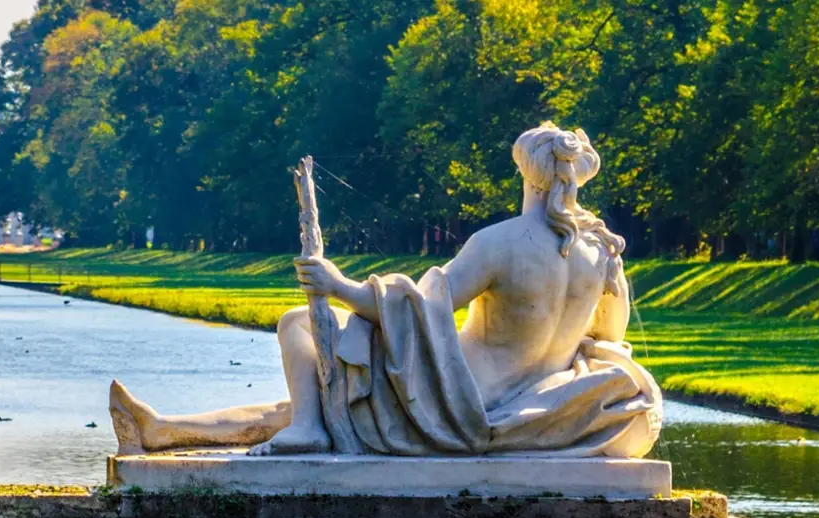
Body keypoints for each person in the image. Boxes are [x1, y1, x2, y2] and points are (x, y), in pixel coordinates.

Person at [110, 123, 661, 459]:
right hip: (529, 402)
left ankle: (303, 430)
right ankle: (163, 430)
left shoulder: (501, 243)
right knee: (331, 401)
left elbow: (421, 307)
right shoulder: (603, 253)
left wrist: (338, 285)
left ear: (527, 173)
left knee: (299, 326)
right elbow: (609, 339)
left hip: (455, 400)